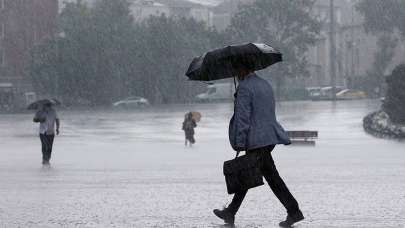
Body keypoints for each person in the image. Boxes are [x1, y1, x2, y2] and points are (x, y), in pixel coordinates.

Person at [213, 67, 304, 227]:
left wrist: (240, 141)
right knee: (250, 173)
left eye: (236, 71)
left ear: (242, 70)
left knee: (269, 177)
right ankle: (231, 211)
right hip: (269, 137)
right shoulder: (264, 84)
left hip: (256, 140)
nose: (235, 74)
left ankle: (294, 211)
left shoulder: (245, 88)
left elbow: (243, 118)